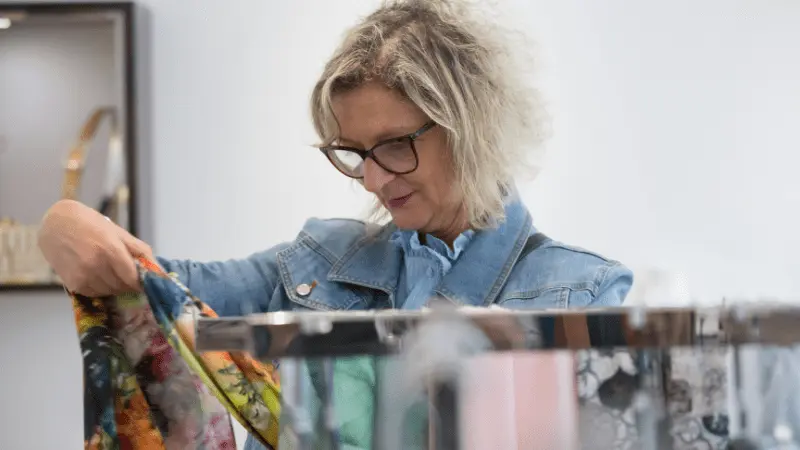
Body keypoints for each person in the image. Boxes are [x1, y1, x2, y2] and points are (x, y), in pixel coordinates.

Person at [38, 0, 633, 448]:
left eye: (396, 146)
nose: (373, 181)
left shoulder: (584, 295)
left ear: (473, 126)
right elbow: (151, 287)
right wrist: (62, 222)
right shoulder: (311, 268)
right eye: (354, 152)